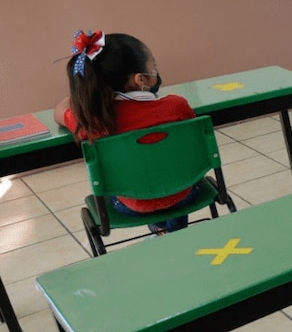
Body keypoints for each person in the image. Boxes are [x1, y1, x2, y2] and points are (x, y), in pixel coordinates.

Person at [53, 31, 200, 234]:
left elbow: (59, 112)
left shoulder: (91, 122)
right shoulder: (176, 106)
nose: (156, 71)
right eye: (153, 67)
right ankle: (175, 233)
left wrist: (86, 91)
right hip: (183, 193)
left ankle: (160, 229)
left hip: (131, 205)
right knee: (172, 174)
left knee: (139, 182)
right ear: (140, 79)